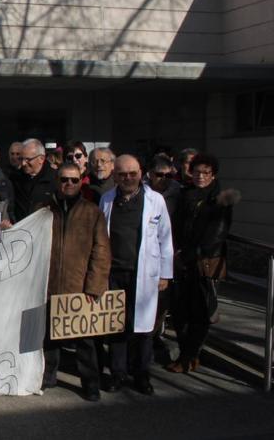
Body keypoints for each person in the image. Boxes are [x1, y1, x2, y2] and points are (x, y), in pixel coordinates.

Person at [99, 155, 173, 395]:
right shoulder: (107, 199)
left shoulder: (156, 200)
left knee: (143, 328)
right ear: (115, 175)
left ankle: (142, 375)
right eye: (122, 174)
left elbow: (165, 239)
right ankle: (118, 373)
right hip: (115, 273)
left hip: (145, 274)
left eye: (132, 173)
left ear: (141, 173)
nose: (127, 178)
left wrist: (165, 274)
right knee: (116, 326)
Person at [42, 163, 111, 402]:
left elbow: (102, 252)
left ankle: (90, 383)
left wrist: (94, 286)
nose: (68, 184)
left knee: (85, 341)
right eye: (63, 179)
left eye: (73, 180)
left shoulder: (92, 212)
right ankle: (48, 376)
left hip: (79, 286)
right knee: (49, 337)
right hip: (49, 285)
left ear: (81, 181)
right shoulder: (43, 209)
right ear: (57, 181)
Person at [167, 154, 240, 374]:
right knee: (179, 311)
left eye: (205, 172)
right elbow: (176, 224)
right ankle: (187, 354)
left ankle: (188, 357)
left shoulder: (220, 198)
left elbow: (217, 234)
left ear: (213, 174)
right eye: (196, 172)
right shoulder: (185, 194)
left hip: (203, 263)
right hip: (181, 260)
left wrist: (193, 253)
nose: (200, 176)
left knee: (199, 313)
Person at [146, 155, 182, 364]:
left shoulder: (178, 194)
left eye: (168, 175)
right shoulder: (143, 193)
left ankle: (153, 338)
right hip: (145, 256)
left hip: (170, 255)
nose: (164, 179)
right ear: (150, 174)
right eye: (159, 175)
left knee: (162, 304)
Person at [11, 138, 56, 219]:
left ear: (41, 159)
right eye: (21, 159)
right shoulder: (15, 178)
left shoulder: (56, 179)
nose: (23, 163)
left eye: (28, 159)